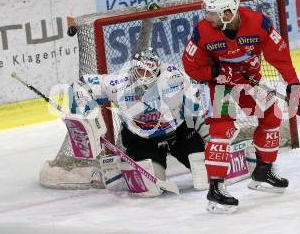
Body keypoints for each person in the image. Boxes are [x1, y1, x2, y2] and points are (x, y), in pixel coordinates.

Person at [182, 0, 300, 213]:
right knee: (222, 129)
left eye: (212, 12)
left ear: (227, 13)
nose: (207, 17)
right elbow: (190, 66)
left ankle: (263, 172)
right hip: (220, 85)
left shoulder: (258, 24)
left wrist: (295, 91)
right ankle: (216, 189)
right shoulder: (202, 31)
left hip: (247, 82)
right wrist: (215, 73)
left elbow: (280, 58)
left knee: (272, 116)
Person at [69, 47, 206, 196]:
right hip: (141, 139)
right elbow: (81, 84)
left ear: (158, 69)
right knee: (150, 189)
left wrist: (212, 140)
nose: (144, 77)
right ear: (133, 68)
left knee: (207, 174)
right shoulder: (119, 82)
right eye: (141, 71)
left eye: (149, 72)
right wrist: (87, 114)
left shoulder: (175, 78)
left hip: (179, 133)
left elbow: (198, 108)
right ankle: (121, 169)